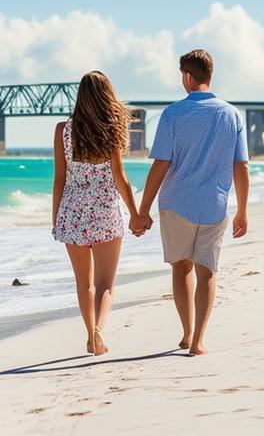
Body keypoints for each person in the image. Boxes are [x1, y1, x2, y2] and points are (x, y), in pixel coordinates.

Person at [133, 49, 250, 356]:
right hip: (215, 204)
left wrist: (142, 211)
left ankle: (185, 332)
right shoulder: (232, 114)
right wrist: (243, 211)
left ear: (187, 75)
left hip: (176, 205)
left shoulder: (172, 114)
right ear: (210, 76)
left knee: (181, 268)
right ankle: (198, 340)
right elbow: (241, 166)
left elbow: (160, 165)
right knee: (207, 272)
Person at [52, 71, 142, 356]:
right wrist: (136, 214)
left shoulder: (62, 131)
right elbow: (120, 177)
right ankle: (100, 332)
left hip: (73, 214)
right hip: (105, 214)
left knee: (84, 283)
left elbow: (59, 179)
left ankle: (90, 334)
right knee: (106, 284)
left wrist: (57, 219)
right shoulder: (112, 131)